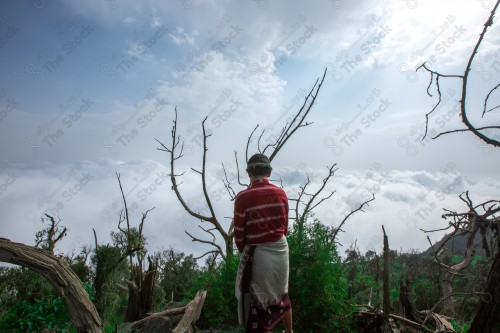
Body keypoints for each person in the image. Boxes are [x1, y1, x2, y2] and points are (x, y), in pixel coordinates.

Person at [234, 153, 293, 333]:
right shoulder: (281, 193)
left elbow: (239, 236)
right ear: (269, 171)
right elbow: (285, 228)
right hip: (281, 249)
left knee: (259, 302)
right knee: (281, 294)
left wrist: (247, 251)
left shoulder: (243, 197)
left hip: (259, 255)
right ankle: (289, 331)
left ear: (248, 172)